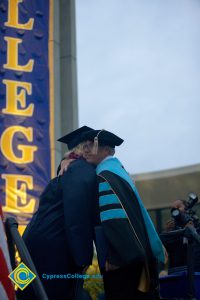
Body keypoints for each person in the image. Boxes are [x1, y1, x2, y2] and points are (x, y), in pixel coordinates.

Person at [76, 129, 166, 300]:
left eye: (91, 146)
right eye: (84, 146)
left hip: (123, 260)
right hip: (136, 253)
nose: (85, 150)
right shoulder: (118, 171)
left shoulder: (105, 176)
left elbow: (115, 219)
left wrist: (117, 258)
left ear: (107, 150)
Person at [18, 126, 98, 300]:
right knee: (52, 294)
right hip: (53, 250)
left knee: (21, 290)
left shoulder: (64, 173)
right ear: (85, 148)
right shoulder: (82, 171)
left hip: (29, 243)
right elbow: (77, 219)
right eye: (95, 146)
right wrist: (83, 258)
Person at [164, 199, 200, 272]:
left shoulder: (197, 227)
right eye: (173, 209)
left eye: (178, 207)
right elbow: (164, 250)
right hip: (178, 272)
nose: (176, 210)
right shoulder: (172, 230)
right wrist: (168, 232)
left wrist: (191, 229)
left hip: (196, 272)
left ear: (187, 208)